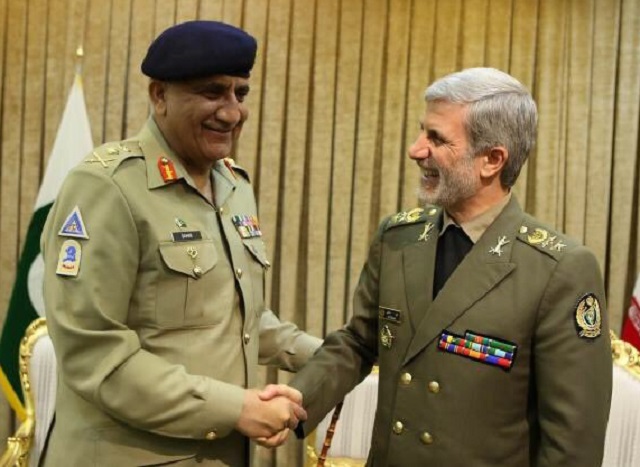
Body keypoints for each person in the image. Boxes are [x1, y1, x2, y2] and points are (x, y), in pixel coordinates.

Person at [266, 67, 613, 466]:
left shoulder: (558, 268)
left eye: (436, 138)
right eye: (421, 132)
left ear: (492, 160)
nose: (416, 150)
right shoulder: (398, 238)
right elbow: (359, 342)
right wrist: (297, 401)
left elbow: (573, 445)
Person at [41, 20, 321, 466]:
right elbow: (94, 351)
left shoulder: (233, 186)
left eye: (240, 93)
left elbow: (235, 315)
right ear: (160, 96)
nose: (232, 112)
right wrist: (238, 408)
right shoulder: (107, 187)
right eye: (212, 93)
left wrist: (325, 355)